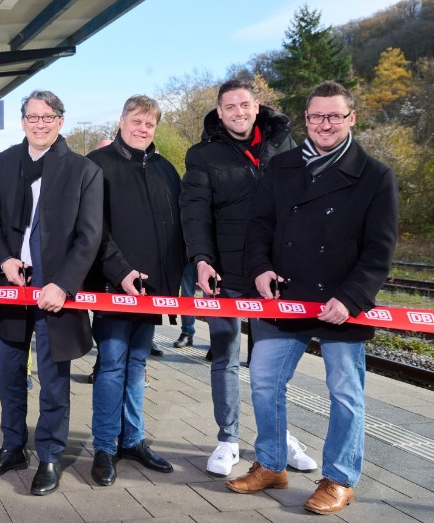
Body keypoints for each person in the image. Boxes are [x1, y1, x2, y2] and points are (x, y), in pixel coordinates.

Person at [227, 81, 398, 515]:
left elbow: (380, 249)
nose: (325, 124)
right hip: (289, 295)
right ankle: (271, 463)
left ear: (351, 118)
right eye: (317, 116)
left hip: (342, 303)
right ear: (306, 119)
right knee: (264, 379)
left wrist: (353, 297)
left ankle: (339, 478)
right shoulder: (282, 167)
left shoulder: (375, 175)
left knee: (345, 393)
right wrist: (261, 269)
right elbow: (259, 226)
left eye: (335, 116)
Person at [179, 79, 311, 478]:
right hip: (225, 274)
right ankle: (228, 439)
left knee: (269, 365)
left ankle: (277, 437)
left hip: (274, 275)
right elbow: (195, 211)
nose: (238, 112)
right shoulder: (202, 155)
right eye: (229, 107)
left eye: (244, 105)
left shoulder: (286, 146)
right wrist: (201, 260)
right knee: (225, 358)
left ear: (257, 106)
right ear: (219, 112)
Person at [0, 90, 102, 496]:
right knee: (10, 375)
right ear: (23, 120)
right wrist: (4, 260)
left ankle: (49, 455)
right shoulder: (7, 161)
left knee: (53, 380)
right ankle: (13, 446)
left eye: (48, 117)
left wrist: (63, 284)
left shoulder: (83, 170)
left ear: (60, 121)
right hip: (12, 284)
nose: (40, 123)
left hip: (54, 291)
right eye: (33, 116)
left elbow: (90, 236)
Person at [85, 95, 183, 487]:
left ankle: (133, 439)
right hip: (113, 287)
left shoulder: (165, 169)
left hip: (152, 290)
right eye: (136, 121)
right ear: (121, 120)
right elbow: (95, 230)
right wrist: (121, 271)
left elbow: (175, 228)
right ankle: (105, 446)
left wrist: (171, 281)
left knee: (137, 365)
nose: (142, 129)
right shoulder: (98, 165)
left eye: (150, 124)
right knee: (111, 363)